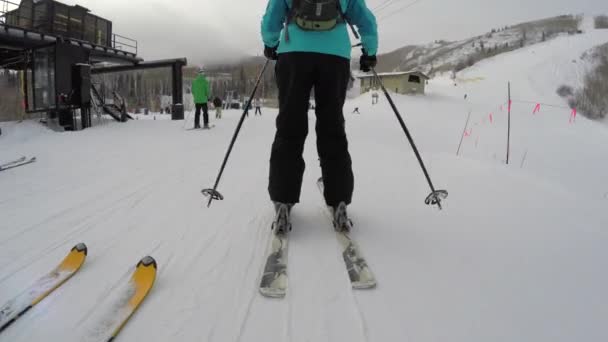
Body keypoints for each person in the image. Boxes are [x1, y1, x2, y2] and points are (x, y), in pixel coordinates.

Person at [261, 0, 378, 232]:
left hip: (293, 53)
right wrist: (370, 51)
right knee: (332, 126)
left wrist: (270, 42)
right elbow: (365, 18)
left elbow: (273, 14)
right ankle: (339, 198)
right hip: (334, 56)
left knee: (289, 126)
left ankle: (283, 198)